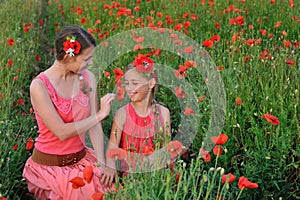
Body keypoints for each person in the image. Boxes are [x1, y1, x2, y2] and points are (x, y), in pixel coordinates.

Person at [22, 25, 115, 199]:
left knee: (111, 190)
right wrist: (99, 115)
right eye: (87, 59)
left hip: (81, 160)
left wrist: (102, 163)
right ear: (68, 56)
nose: (91, 63)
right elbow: (61, 132)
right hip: (50, 169)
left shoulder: (88, 78)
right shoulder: (40, 86)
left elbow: (95, 127)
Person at [104, 54, 171, 186]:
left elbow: (166, 147)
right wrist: (111, 167)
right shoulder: (122, 114)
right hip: (130, 176)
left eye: (134, 83)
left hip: (155, 173)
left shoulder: (163, 113)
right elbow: (112, 147)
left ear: (151, 83)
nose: (129, 88)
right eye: (126, 83)